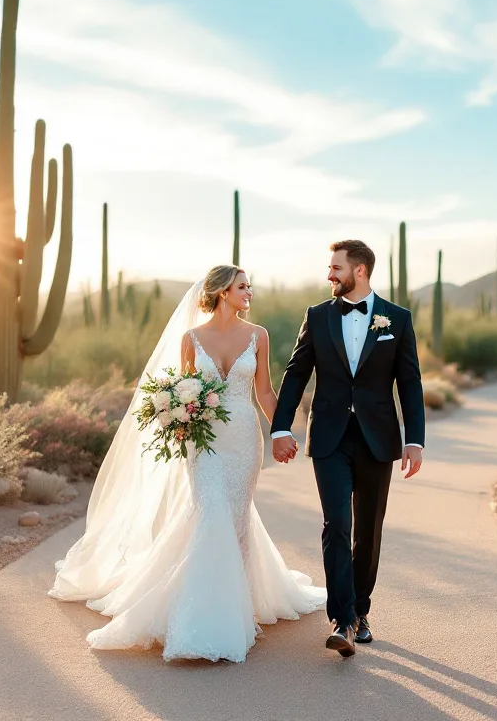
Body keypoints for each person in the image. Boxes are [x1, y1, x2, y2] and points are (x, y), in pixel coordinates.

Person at [49, 265, 326, 663]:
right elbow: (182, 392)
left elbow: (264, 391)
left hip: (244, 439)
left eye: (249, 286)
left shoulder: (259, 335)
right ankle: (202, 615)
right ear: (221, 291)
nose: (249, 292)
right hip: (206, 443)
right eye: (242, 286)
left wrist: (280, 431)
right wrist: (178, 422)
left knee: (236, 516)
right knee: (210, 511)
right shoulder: (190, 339)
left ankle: (240, 603)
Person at [270, 239, 425, 657]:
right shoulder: (317, 316)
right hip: (330, 437)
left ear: (359, 271)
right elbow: (296, 372)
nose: (329, 275)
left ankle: (360, 610)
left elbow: (410, 382)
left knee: (368, 530)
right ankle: (343, 618)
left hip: (378, 438)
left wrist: (414, 439)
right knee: (336, 523)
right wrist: (280, 427)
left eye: (335, 267)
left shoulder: (397, 318)